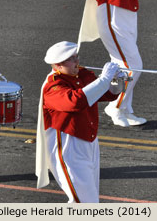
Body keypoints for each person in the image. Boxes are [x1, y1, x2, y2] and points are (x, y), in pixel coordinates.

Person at [35, 41, 125, 202]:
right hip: (68, 145)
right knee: (84, 201)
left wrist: (117, 82)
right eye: (71, 59)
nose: (77, 61)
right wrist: (104, 79)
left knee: (89, 198)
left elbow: (104, 94)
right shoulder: (53, 85)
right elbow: (74, 102)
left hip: (90, 141)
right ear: (57, 65)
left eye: (76, 57)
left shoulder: (81, 74)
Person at [79, 0, 155, 127]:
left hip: (127, 16)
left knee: (122, 65)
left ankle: (125, 108)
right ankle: (115, 106)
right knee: (132, 65)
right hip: (113, 17)